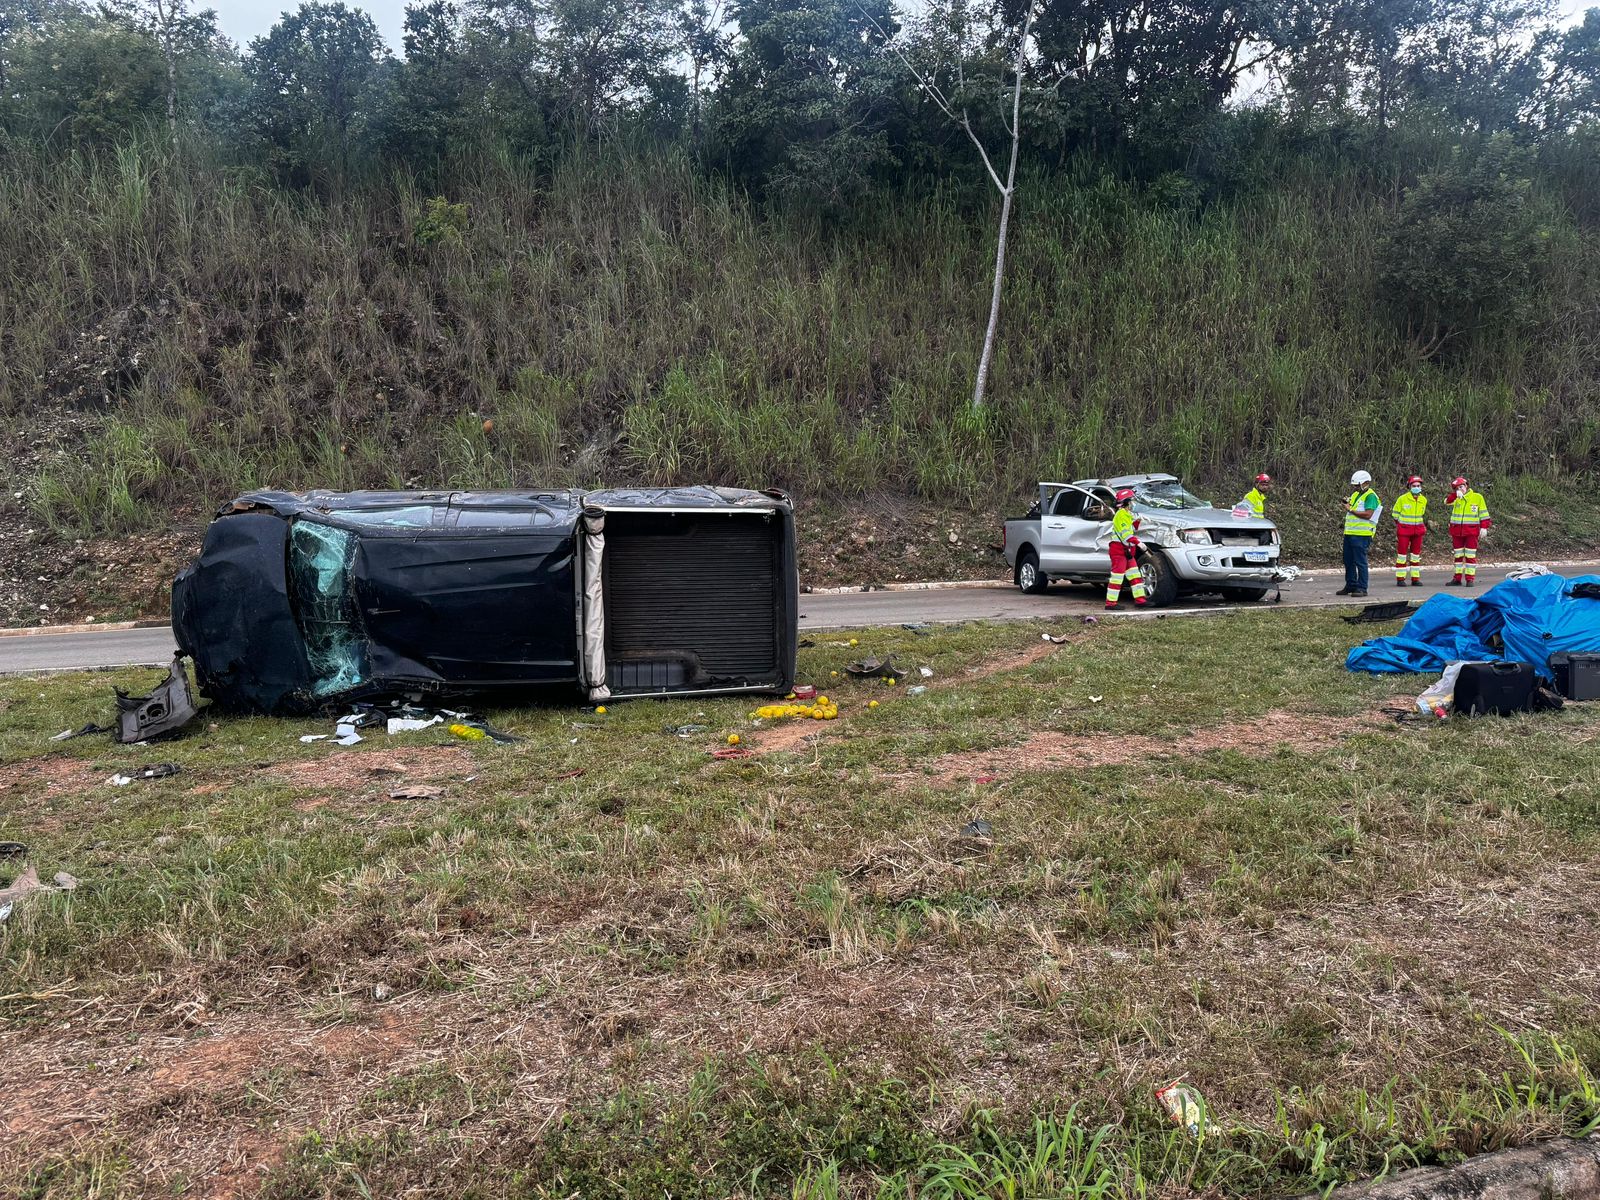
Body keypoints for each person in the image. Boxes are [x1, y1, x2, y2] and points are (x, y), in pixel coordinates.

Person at [1338, 470, 1381, 597]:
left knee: (1360, 561)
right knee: (1348, 560)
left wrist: (1350, 509)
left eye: (1357, 485)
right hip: (1350, 533)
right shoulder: (1357, 494)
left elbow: (1368, 514)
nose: (1355, 488)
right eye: (1355, 486)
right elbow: (1353, 508)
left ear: (1365, 483)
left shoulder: (1371, 496)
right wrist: (1347, 504)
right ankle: (1351, 584)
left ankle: (1362, 587)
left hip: (1362, 534)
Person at [1105, 488, 1148, 609]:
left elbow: (1130, 529)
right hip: (1119, 551)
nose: (1133, 503)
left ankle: (1141, 601)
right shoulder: (1120, 515)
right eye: (1131, 501)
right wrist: (1139, 543)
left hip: (1126, 551)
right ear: (1126, 502)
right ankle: (1110, 603)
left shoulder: (1126, 514)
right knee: (1117, 578)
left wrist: (1138, 522)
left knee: (1135, 575)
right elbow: (1126, 535)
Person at [1446, 476, 1492, 586]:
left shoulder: (1477, 497)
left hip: (1471, 532)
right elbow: (1447, 501)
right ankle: (1457, 578)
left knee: (1470, 556)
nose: (1460, 489)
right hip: (1457, 531)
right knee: (1458, 556)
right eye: (1457, 488)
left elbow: (1484, 514)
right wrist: (1455, 495)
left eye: (1461, 486)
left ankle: (1469, 579)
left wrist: (1484, 527)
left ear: (1466, 486)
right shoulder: (1456, 498)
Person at [1392, 475, 1429, 587]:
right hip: (1404, 531)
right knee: (1402, 555)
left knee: (1415, 555)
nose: (1416, 487)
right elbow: (1395, 514)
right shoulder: (1402, 499)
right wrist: (1402, 525)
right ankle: (1400, 579)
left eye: (1418, 486)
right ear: (1409, 486)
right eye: (1414, 486)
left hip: (1418, 531)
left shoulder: (1423, 500)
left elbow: (1421, 514)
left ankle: (1415, 578)